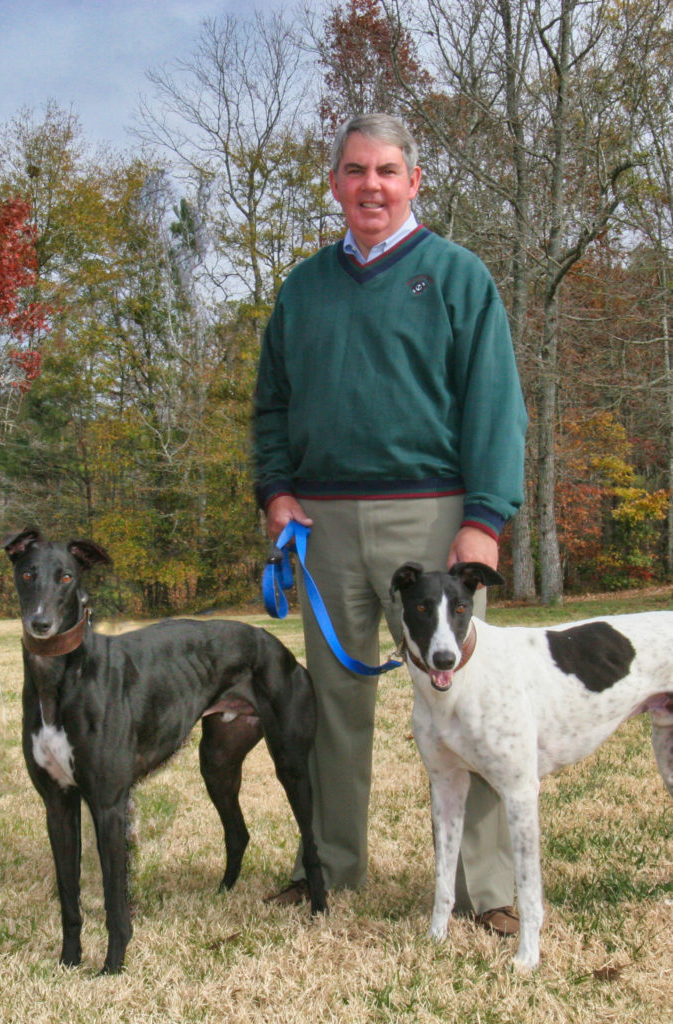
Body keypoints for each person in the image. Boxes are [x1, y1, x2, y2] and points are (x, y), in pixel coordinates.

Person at [254, 113, 527, 936]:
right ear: (334, 183)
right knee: (333, 703)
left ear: (414, 181)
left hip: (431, 515)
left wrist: (483, 519)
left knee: (464, 706)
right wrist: (276, 493)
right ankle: (333, 869)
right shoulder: (302, 288)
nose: (369, 185)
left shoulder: (456, 275)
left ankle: (489, 891)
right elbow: (271, 403)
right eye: (353, 170)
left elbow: (494, 406)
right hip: (322, 523)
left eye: (386, 170)